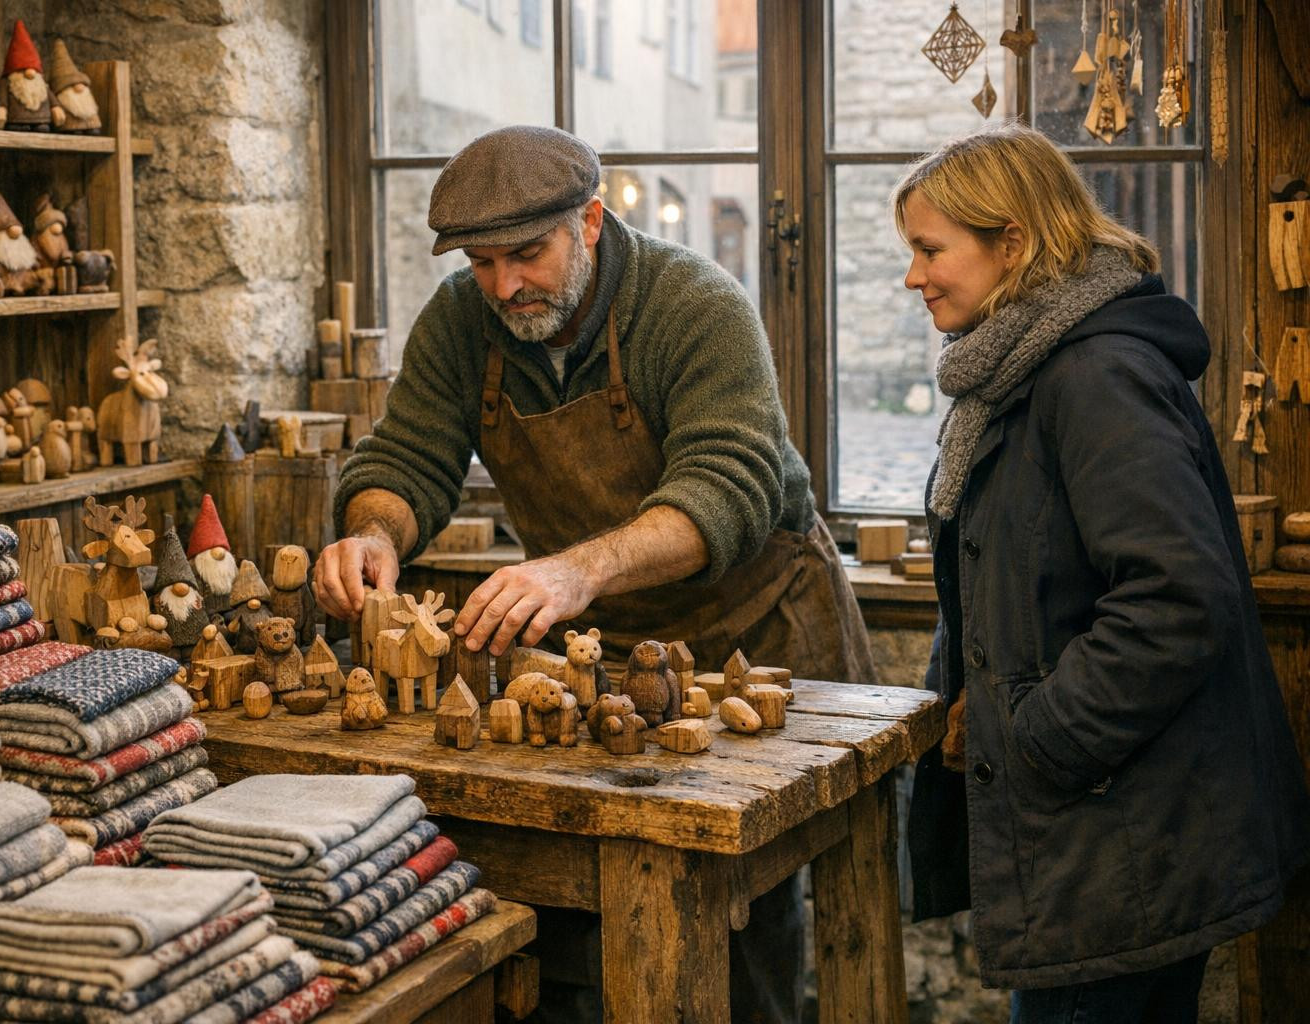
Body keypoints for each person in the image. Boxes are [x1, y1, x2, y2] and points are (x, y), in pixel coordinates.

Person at [315, 124, 876, 1023]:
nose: (504, 286)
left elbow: (725, 485)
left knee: (747, 927)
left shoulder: (693, 303)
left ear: (590, 220)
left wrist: (579, 570)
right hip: (604, 649)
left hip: (755, 633)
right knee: (587, 921)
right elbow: (405, 457)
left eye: (526, 255)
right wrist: (374, 529)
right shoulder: (466, 320)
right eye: (481, 262)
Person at [897, 123, 1310, 1024]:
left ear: (1013, 243)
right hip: (1097, 837)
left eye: (931, 250)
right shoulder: (1022, 371)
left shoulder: (1093, 374)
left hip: (1122, 840)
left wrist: (1039, 733)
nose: (913, 276)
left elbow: (1176, 597)